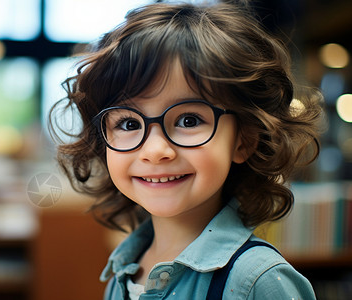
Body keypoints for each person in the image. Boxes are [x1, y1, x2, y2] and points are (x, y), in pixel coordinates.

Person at [49, 2, 322, 299]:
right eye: (128, 123)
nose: (155, 150)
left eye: (188, 120)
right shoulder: (123, 270)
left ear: (244, 139)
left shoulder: (256, 281)